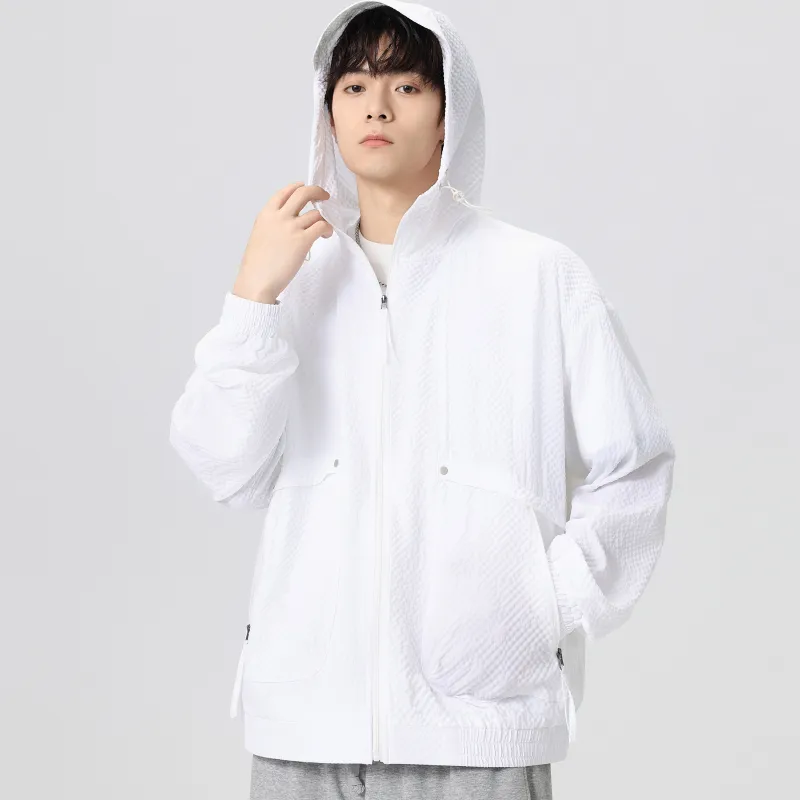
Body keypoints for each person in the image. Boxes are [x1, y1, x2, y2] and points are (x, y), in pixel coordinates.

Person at [168, 2, 677, 798]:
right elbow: (225, 468)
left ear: (449, 116)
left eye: (406, 85)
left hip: (480, 732)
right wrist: (252, 296)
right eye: (354, 86)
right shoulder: (291, 281)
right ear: (328, 114)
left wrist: (539, 611)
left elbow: (635, 468)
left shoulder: (538, 276)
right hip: (303, 728)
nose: (376, 107)